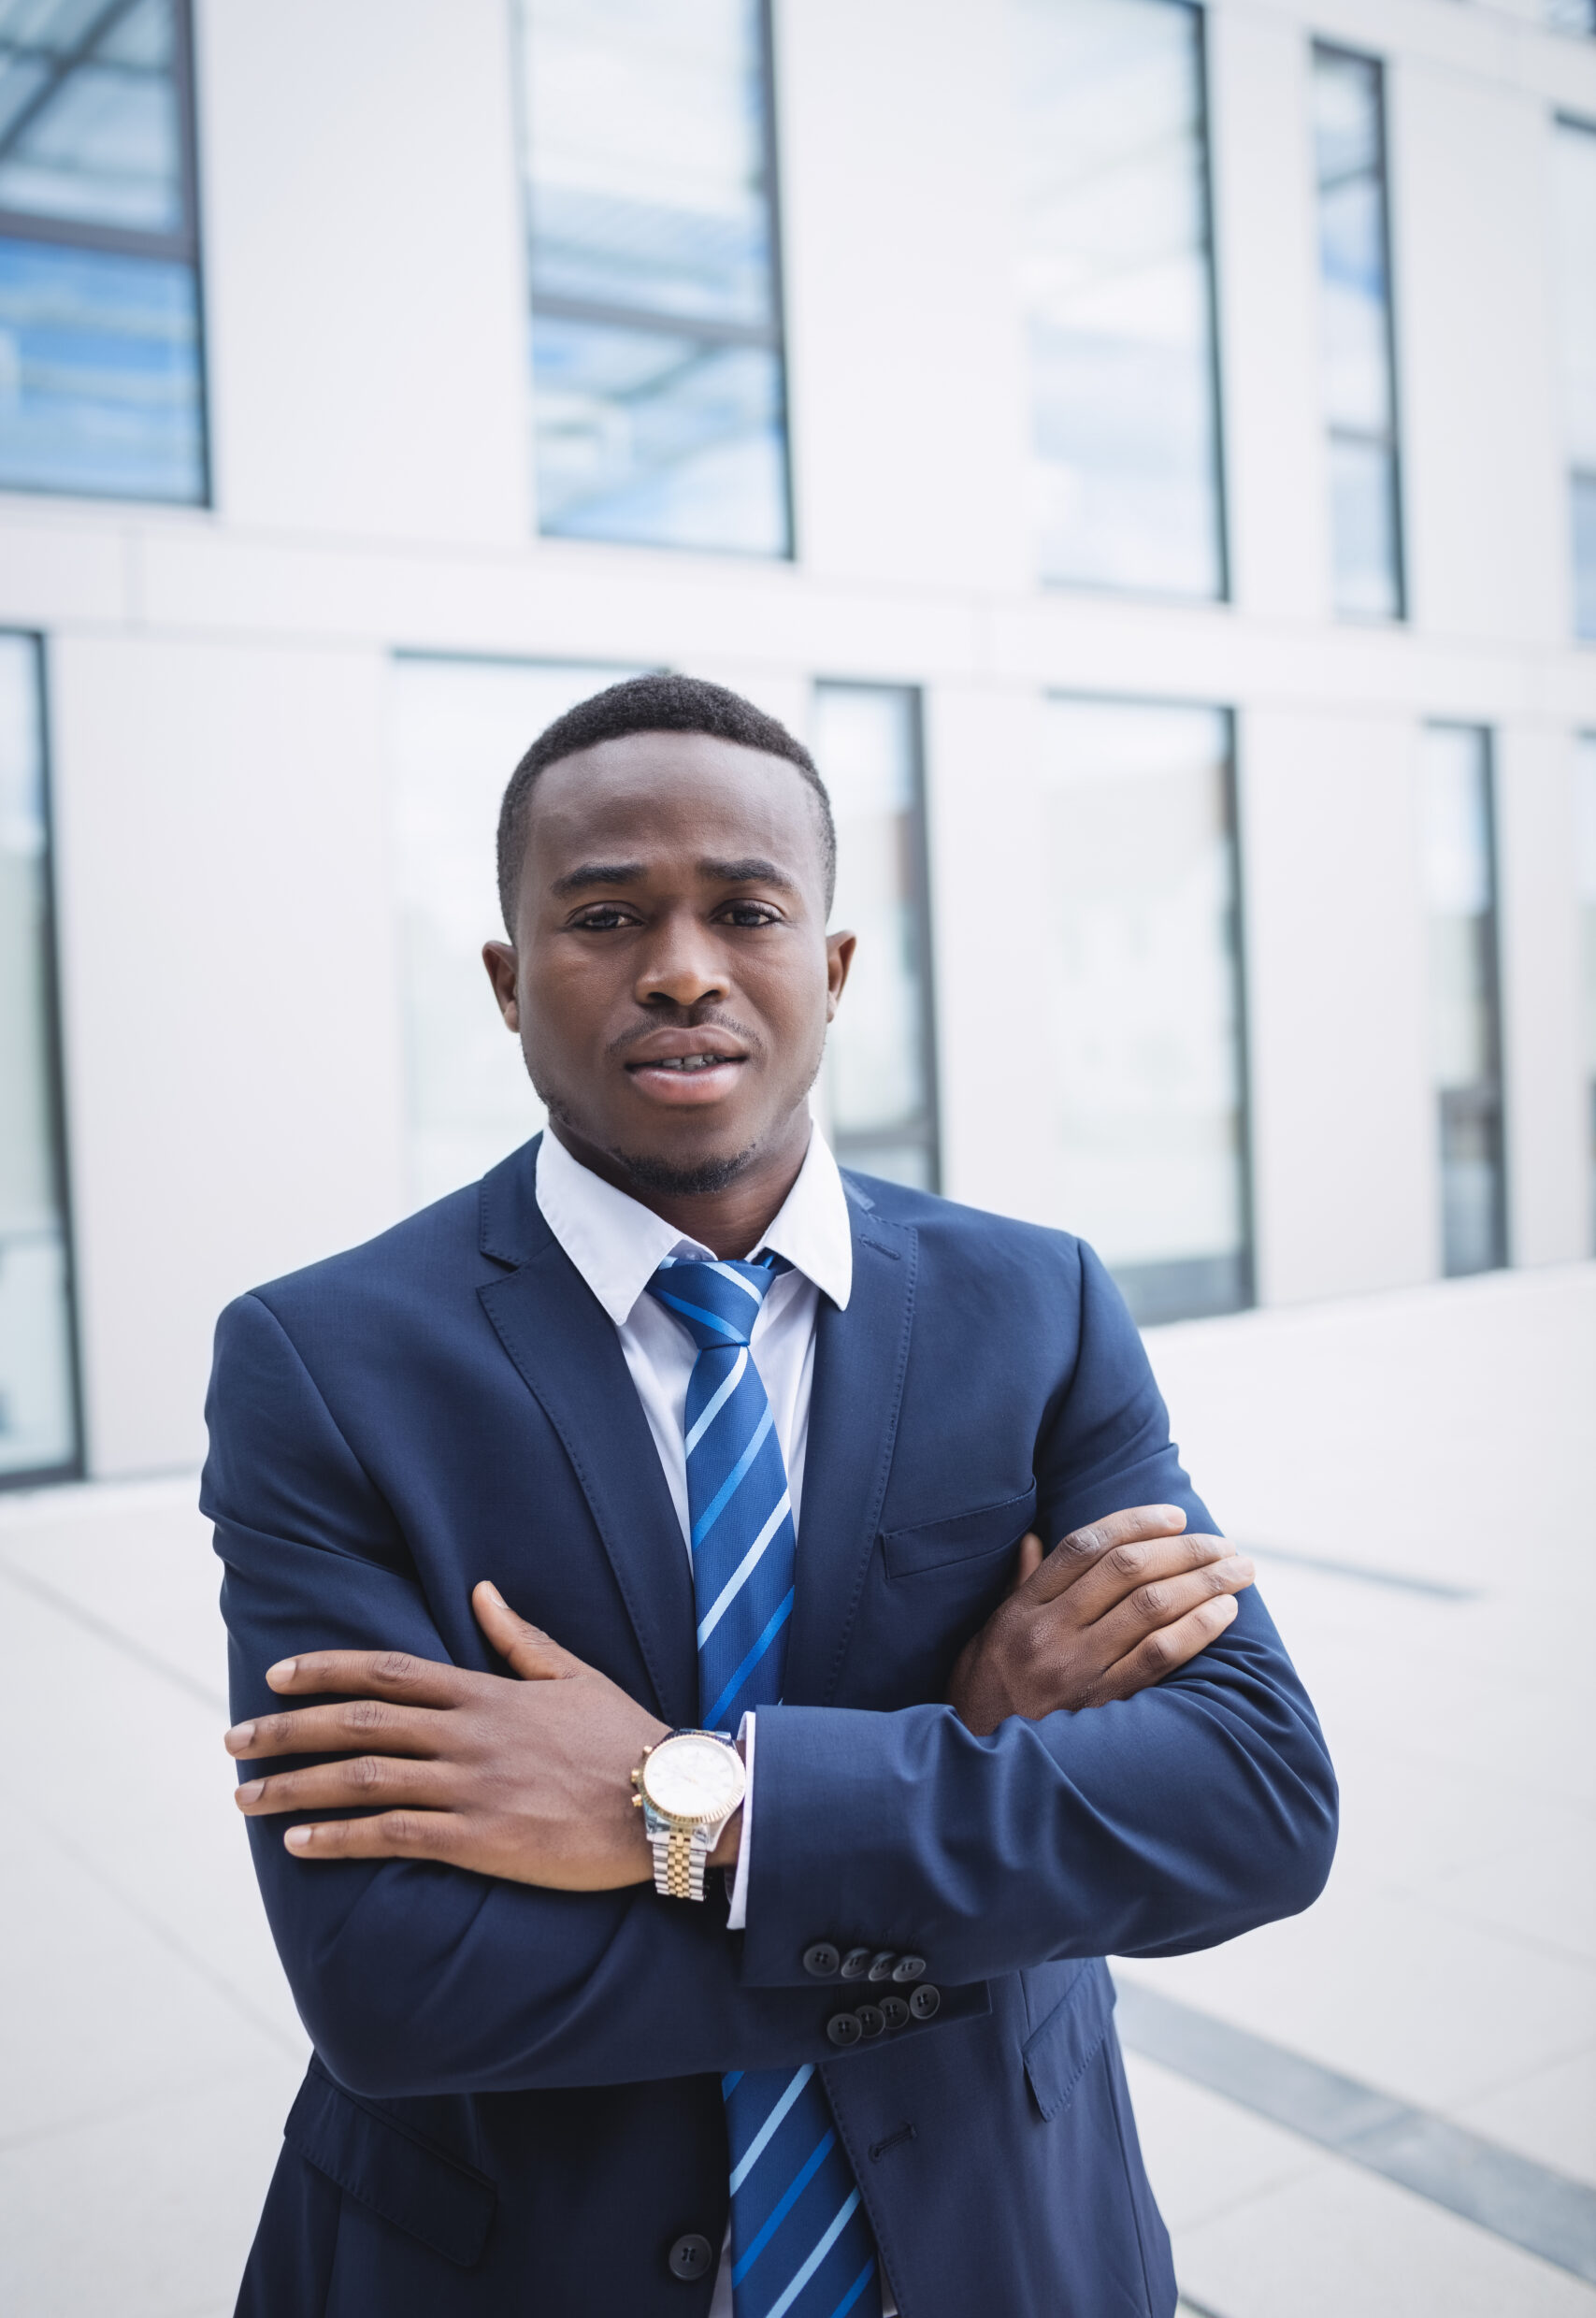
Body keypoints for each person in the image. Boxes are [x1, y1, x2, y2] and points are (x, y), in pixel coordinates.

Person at [206, 675, 1336, 2318]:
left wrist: (697, 1810)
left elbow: (1251, 1801)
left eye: (747, 908)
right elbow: (399, 1980)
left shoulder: (1039, 1308)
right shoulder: (322, 1364)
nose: (681, 967)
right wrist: (963, 1849)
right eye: (605, 916)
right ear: (510, 986)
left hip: (1003, 2242)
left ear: (833, 968)